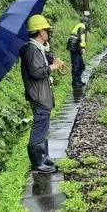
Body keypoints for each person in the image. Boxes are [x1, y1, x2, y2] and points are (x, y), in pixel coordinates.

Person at [20, 14, 64, 174]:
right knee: (39, 127)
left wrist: (47, 52)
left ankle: (44, 158)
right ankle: (37, 163)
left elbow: (40, 64)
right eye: (46, 30)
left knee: (44, 126)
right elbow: (35, 72)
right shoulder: (31, 50)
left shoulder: (36, 49)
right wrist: (53, 67)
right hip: (38, 95)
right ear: (40, 32)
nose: (48, 32)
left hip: (42, 93)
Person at [68, 16, 88, 87]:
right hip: (75, 48)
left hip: (76, 47)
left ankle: (78, 80)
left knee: (81, 65)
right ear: (86, 22)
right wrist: (83, 48)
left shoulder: (79, 25)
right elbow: (82, 38)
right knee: (76, 65)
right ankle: (75, 81)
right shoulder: (82, 27)